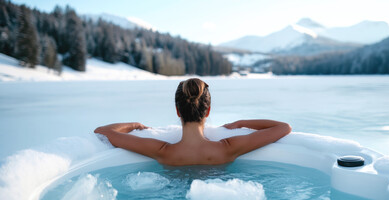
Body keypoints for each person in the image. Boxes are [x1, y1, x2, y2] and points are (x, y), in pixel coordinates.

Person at [94, 78, 292, 166]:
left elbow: (102, 131)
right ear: (208, 111)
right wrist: (241, 122)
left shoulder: (162, 151)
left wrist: (135, 125)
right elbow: (283, 128)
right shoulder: (228, 149)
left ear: (178, 111)